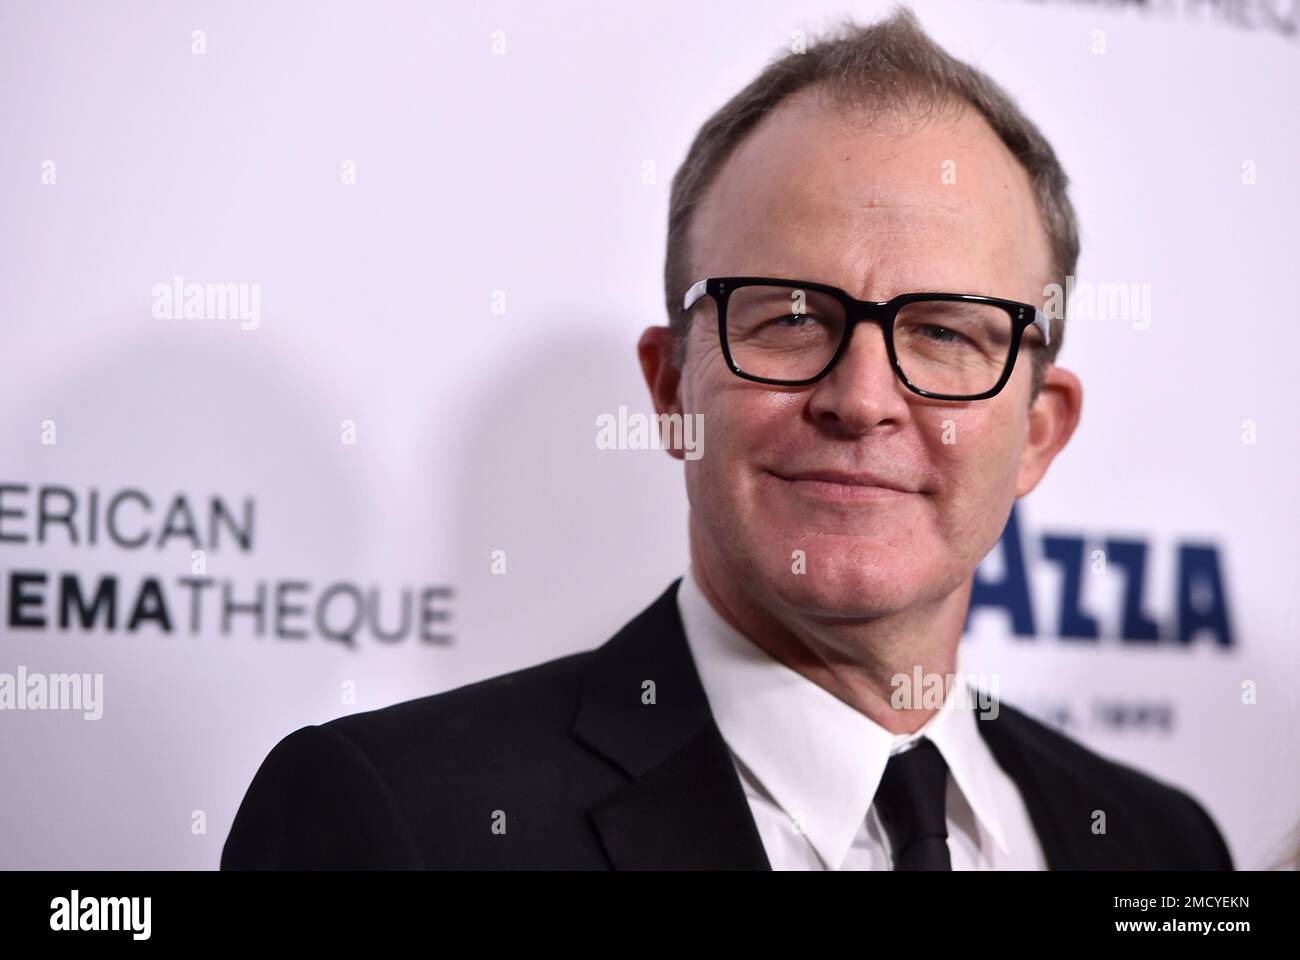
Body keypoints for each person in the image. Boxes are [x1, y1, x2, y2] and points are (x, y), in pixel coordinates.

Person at [222, 7, 1232, 870]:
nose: (862, 397)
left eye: (942, 332)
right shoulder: (393, 822)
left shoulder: (1161, 847)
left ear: (1037, 433)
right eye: (789, 318)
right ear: (669, 388)